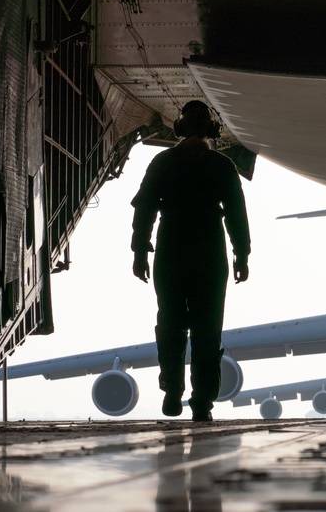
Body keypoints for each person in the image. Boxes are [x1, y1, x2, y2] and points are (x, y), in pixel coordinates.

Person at [131, 100, 250, 421]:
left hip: (171, 251)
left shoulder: (163, 162)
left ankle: (172, 389)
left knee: (170, 322)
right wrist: (242, 254)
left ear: (179, 129)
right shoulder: (222, 166)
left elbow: (145, 209)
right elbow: (236, 215)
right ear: (213, 129)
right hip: (210, 253)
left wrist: (140, 250)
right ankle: (202, 403)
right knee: (208, 329)